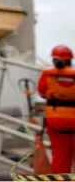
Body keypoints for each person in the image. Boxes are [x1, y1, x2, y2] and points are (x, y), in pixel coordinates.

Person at [38, 44, 75, 174]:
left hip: (55, 121)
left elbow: (42, 92)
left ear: (54, 60)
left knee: (60, 156)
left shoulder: (47, 75)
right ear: (70, 61)